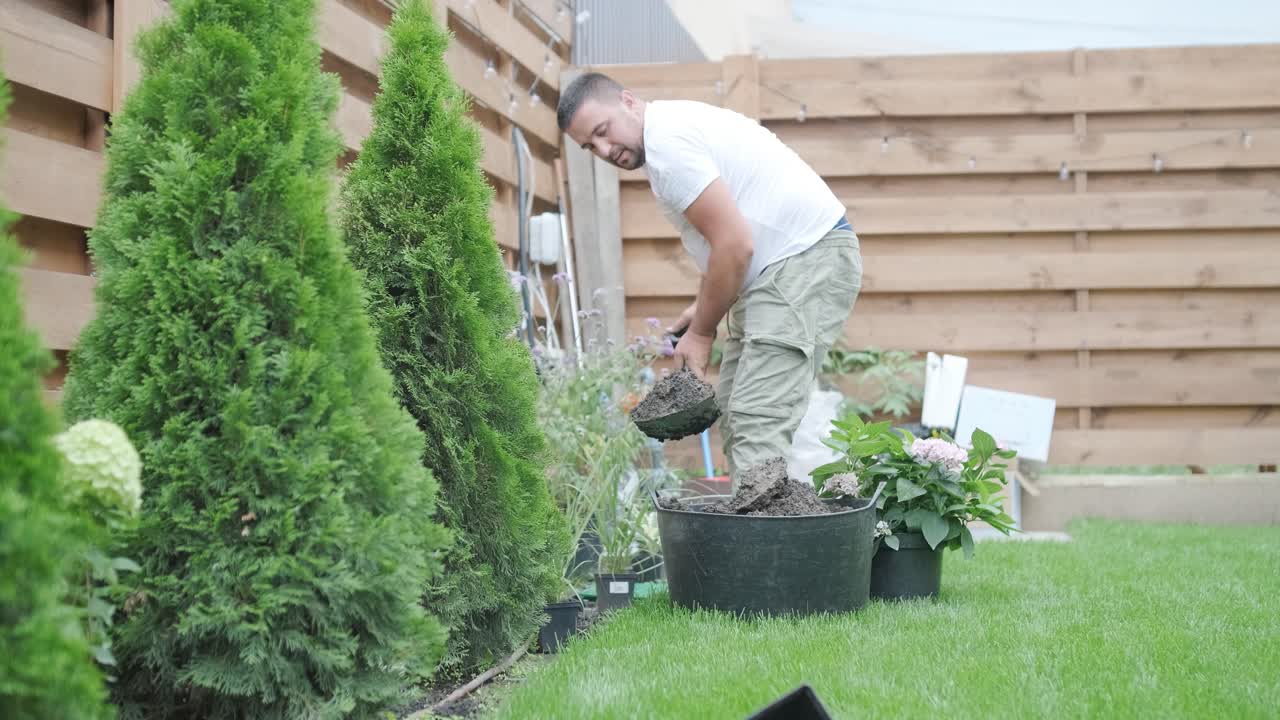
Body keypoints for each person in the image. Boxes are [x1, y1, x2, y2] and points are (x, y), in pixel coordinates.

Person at [557, 72, 862, 481]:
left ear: (627, 102)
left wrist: (701, 333)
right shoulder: (672, 130)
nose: (605, 150)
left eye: (603, 132)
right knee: (739, 415)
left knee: (758, 420)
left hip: (803, 260)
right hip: (785, 266)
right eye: (589, 146)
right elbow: (736, 243)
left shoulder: (667, 146)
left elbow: (735, 245)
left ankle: (764, 544)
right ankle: (760, 532)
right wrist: (701, 309)